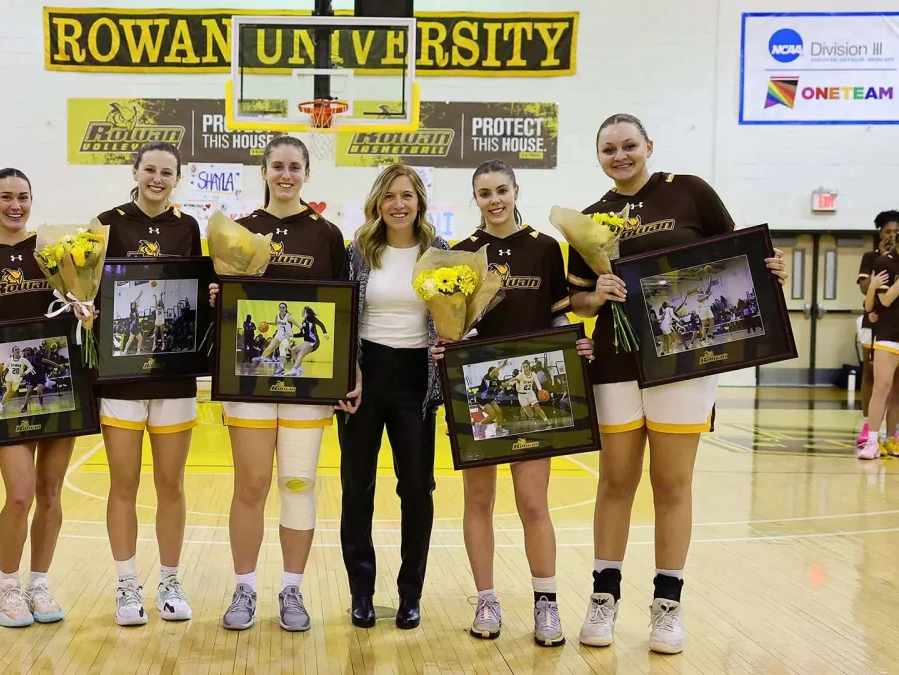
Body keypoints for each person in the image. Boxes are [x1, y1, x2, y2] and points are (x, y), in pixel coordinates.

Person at [566, 114, 786, 654]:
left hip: (683, 362)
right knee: (615, 481)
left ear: (648, 146)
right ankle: (604, 598)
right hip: (617, 361)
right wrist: (600, 294)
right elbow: (575, 299)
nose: (620, 156)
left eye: (628, 146)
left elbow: (737, 257)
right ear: (598, 156)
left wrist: (770, 271)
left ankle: (667, 606)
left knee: (672, 484)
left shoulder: (688, 192)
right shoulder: (589, 218)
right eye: (609, 149)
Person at [440, 159, 593, 646]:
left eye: (501, 190)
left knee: (532, 502)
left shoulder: (545, 248)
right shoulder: (460, 256)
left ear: (515, 189)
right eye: (484, 193)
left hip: (531, 394)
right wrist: (443, 347)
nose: (494, 200)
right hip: (479, 393)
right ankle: (486, 600)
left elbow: (555, 321)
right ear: (475, 199)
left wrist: (576, 343)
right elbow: (453, 326)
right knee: (478, 501)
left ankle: (545, 604)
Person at [208, 135, 347, 632]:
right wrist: (217, 299)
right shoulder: (240, 230)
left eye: (295, 166)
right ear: (264, 171)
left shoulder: (328, 234)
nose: (286, 174)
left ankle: (292, 588)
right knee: (250, 484)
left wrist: (346, 374)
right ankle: (243, 587)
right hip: (248, 382)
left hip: (309, 386)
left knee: (297, 483)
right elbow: (226, 305)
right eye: (278, 166)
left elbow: (343, 309)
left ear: (307, 172)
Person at [0, 168, 76, 628]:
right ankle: (7, 587)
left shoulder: (55, 253)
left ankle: (39, 583)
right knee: (20, 494)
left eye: (23, 196)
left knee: (50, 492)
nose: (15, 205)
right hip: (3, 392)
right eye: (6, 197)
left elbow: (80, 305)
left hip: (60, 381)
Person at [94, 140, 203, 627]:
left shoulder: (188, 227)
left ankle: (170, 582)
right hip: (121, 377)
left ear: (176, 178)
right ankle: (125, 584)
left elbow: (195, 289)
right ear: (134, 171)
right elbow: (87, 287)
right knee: (124, 483)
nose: (157, 179)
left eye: (167, 172)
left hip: (174, 377)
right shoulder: (106, 222)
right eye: (150, 170)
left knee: (171, 485)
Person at [337, 164, 447, 631]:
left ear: (419, 201)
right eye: (390, 196)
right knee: (356, 488)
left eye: (407, 195)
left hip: (417, 381)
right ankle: (361, 592)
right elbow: (341, 315)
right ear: (378, 203)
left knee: (417, 492)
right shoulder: (358, 251)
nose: (398, 204)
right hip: (366, 376)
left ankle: (410, 595)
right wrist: (348, 372)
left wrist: (451, 342)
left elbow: (460, 315)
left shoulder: (439, 253)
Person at [857, 211, 899, 450]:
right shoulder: (872, 257)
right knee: (872, 375)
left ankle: (892, 435)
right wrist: (883, 259)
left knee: (895, 386)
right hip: (875, 322)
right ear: (880, 233)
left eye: (896, 232)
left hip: (891, 323)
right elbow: (867, 291)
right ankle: (868, 426)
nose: (892, 236)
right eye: (888, 232)